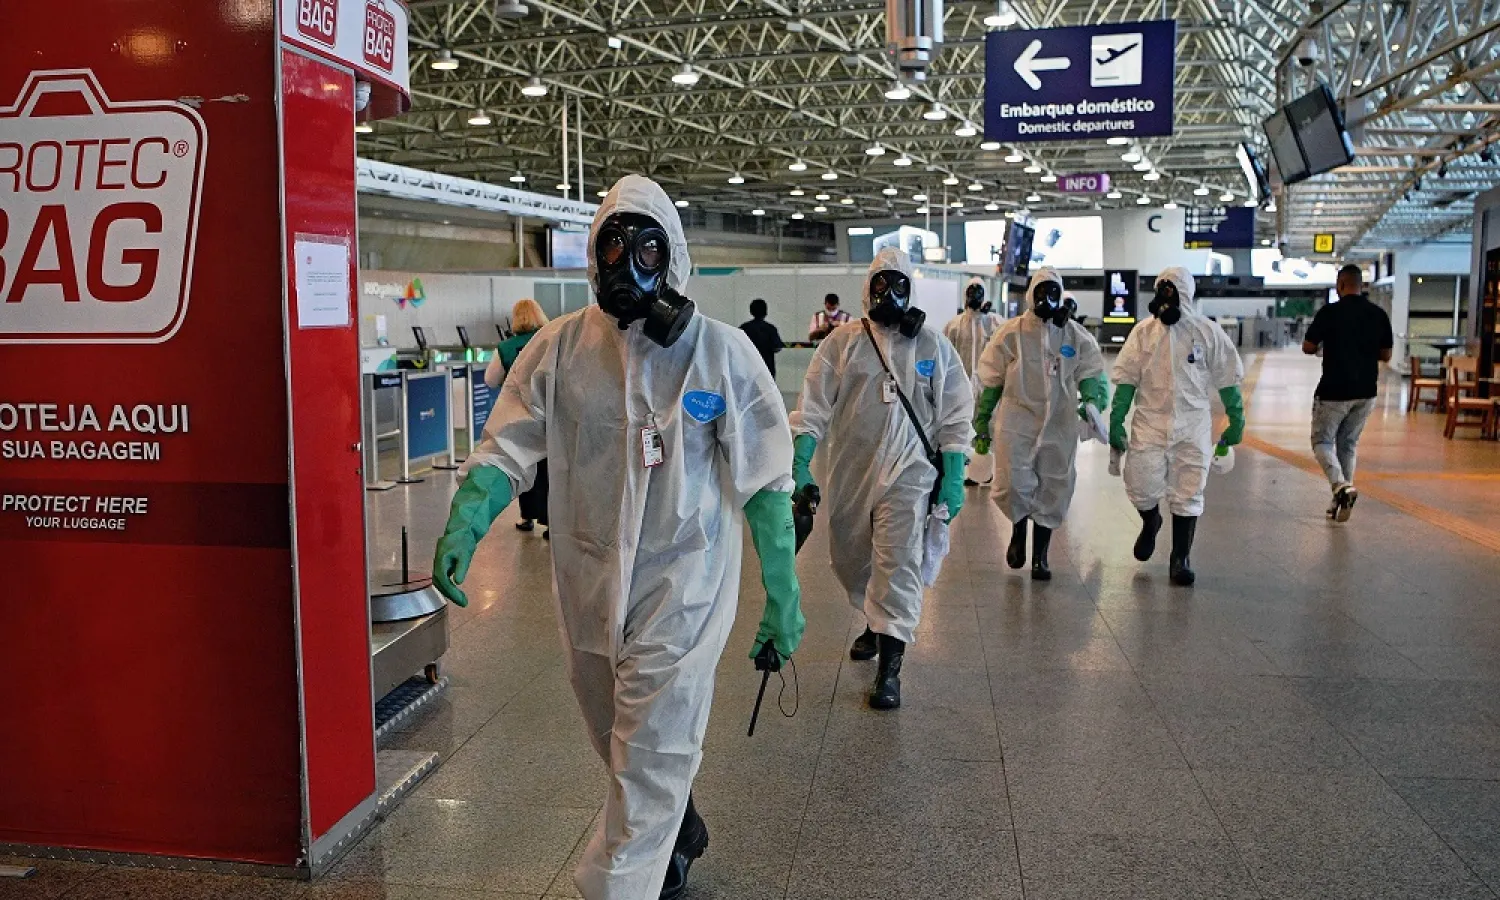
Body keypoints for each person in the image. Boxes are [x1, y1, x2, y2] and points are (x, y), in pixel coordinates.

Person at [430, 175, 805, 900]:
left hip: (686, 586)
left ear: (674, 260)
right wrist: (468, 518)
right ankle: (681, 822)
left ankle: (623, 884)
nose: (626, 266)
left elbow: (767, 480)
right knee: (618, 737)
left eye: (646, 249)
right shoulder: (560, 348)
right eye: (612, 247)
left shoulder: (720, 356)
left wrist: (782, 597)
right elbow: (508, 446)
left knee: (651, 751)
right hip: (588, 582)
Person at [793, 247, 972, 709]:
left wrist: (953, 474)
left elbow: (955, 412)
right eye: (880, 286)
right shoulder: (843, 343)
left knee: (898, 562)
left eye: (898, 286)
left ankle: (889, 668)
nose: (889, 295)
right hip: (853, 469)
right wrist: (800, 462)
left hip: (910, 472)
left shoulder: (932, 346)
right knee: (851, 556)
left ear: (910, 290)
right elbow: (812, 406)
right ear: (867, 290)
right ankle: (874, 622)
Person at [1110, 266, 1245, 586]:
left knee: (1189, 489)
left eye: (1172, 291)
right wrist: (1117, 417)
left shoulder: (1206, 332)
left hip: (1192, 422)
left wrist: (1235, 417)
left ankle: (1180, 557)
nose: (1165, 297)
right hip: (1149, 421)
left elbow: (1227, 376)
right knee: (1140, 483)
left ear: (1185, 294)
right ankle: (1150, 519)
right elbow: (1127, 376)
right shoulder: (1143, 333)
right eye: (1162, 290)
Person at [973, 268, 1108, 580]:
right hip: (1016, 420)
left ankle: (1041, 556)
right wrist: (982, 417)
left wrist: (1092, 402)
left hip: (1059, 423)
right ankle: (1018, 532)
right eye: (1041, 291)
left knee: (1054, 483)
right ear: (1031, 294)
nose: (1047, 299)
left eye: (1053, 292)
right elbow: (991, 376)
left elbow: (1091, 370)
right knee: (1012, 481)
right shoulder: (1012, 332)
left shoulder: (1074, 335)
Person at [1302, 264, 1394, 521]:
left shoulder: (1329, 313)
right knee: (1348, 444)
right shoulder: (1378, 314)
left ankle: (1340, 486)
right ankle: (1342, 496)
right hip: (1366, 391)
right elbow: (1386, 355)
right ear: (1362, 285)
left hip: (1334, 389)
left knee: (1322, 442)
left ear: (1340, 285)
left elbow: (1308, 347)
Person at [486, 298, 551, 537]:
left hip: (519, 415)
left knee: (524, 462)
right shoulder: (551, 339)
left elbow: (490, 380)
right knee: (550, 467)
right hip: (550, 415)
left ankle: (527, 516)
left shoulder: (505, 347)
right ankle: (550, 519)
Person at [944, 277, 1001, 486]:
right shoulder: (955, 325)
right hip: (963, 385)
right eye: (971, 291)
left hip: (988, 387)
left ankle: (985, 471)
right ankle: (971, 471)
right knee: (964, 426)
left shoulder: (994, 323)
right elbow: (946, 355)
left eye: (978, 291)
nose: (974, 296)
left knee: (986, 426)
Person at [740, 297, 784, 376]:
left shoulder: (744, 328)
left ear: (751, 311)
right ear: (765, 312)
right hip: (767, 368)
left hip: (748, 368)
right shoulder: (771, 329)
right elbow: (777, 347)